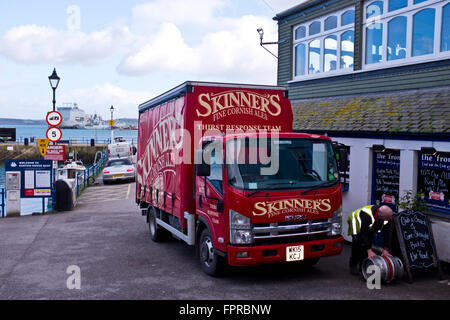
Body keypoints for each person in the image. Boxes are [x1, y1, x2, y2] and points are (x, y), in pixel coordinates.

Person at [347, 204, 394, 275]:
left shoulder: (387, 217)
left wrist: (386, 249)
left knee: (368, 242)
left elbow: (387, 233)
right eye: (388, 217)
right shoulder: (367, 215)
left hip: (368, 226)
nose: (390, 218)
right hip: (356, 224)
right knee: (357, 244)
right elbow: (364, 234)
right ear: (381, 216)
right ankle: (353, 265)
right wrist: (369, 250)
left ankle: (362, 265)